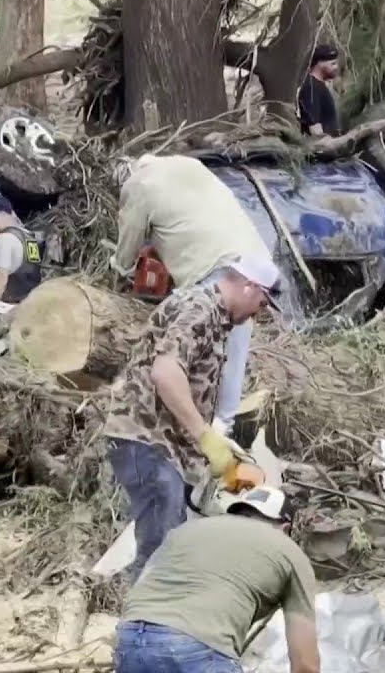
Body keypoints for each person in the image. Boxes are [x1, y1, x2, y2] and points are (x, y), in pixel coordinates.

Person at [102, 253, 283, 582]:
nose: (261, 310)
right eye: (262, 300)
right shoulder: (199, 309)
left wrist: (216, 451)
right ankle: (140, 624)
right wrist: (205, 437)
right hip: (143, 437)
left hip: (160, 443)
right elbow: (165, 372)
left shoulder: (214, 317)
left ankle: (148, 614)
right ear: (248, 287)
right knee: (161, 544)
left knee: (171, 537)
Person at [110, 154, 272, 438]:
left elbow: (128, 246)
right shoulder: (187, 164)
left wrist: (117, 278)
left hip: (212, 268)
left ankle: (196, 437)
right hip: (252, 259)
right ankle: (224, 428)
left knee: (192, 363)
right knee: (231, 359)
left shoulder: (137, 184)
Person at [114, 486, 320, 673]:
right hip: (195, 648)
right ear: (285, 528)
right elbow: (305, 665)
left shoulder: (186, 530)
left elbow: (143, 584)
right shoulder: (289, 552)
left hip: (131, 639)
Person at [298, 44, 341, 138]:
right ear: (320, 64)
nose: (336, 67)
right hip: (325, 148)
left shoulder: (319, 86)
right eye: (333, 64)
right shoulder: (311, 87)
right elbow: (314, 127)